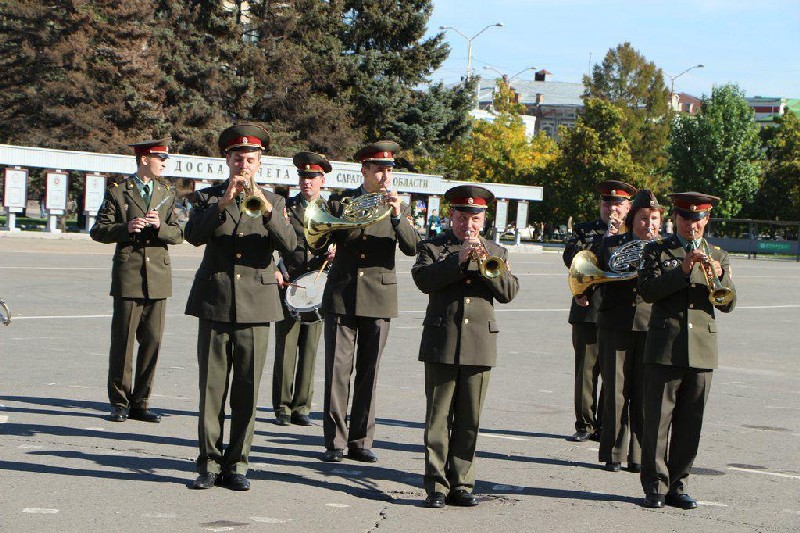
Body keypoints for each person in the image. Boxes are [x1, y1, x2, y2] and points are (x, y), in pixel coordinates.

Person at [184, 124, 296, 491]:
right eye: (237, 159)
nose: (242, 165)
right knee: (212, 389)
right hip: (215, 302)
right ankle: (209, 464)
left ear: (259, 162)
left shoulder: (276, 202)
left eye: (250, 159)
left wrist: (265, 209)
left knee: (247, 390)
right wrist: (222, 202)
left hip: (257, 306)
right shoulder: (206, 198)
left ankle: (238, 464)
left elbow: (291, 244)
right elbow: (193, 236)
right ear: (226, 160)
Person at [412, 185, 519, 509]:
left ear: (483, 219)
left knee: (469, 419)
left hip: (479, 345)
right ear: (451, 217)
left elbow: (509, 292)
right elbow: (423, 280)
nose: (468, 225)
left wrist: (486, 262)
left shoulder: (497, 251)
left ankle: (462, 482)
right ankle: (436, 486)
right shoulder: (433, 247)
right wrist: (456, 261)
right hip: (442, 342)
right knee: (438, 418)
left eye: (474, 218)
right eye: (462, 217)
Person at [316, 140, 419, 463]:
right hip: (342, 294)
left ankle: (361, 440)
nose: (385, 175)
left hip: (379, 295)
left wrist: (397, 215)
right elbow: (322, 238)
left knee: (369, 371)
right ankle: (334, 442)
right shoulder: (341, 202)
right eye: (378, 169)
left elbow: (413, 247)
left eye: (389, 169)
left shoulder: (398, 207)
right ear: (364, 170)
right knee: (337, 371)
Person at [638, 192, 736, 509]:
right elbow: (648, 291)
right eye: (684, 218)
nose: (690, 224)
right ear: (675, 219)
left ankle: (677, 485)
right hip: (665, 345)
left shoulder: (719, 255)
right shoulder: (656, 250)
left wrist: (721, 277)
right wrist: (681, 270)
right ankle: (655, 485)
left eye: (696, 219)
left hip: (702, 349)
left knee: (690, 422)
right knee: (658, 420)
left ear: (706, 220)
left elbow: (728, 303)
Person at [90, 138, 183, 423]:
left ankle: (141, 401)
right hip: (129, 274)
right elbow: (98, 230)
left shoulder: (167, 192)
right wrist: (126, 227)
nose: (165, 164)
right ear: (145, 159)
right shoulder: (118, 192)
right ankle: (119, 401)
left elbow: (178, 234)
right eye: (160, 159)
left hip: (158, 275)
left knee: (152, 341)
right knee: (124, 341)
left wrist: (160, 227)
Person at [562, 179, 636, 442]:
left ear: (628, 206)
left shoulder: (634, 232)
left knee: (614, 371)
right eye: (607, 202)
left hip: (619, 311)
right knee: (586, 369)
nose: (612, 208)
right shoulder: (585, 231)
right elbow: (571, 258)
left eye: (618, 203)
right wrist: (606, 240)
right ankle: (585, 424)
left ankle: (606, 423)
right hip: (588, 307)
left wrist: (619, 238)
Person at [595, 190, 663, 473]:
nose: (649, 224)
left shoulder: (665, 248)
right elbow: (594, 276)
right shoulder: (613, 245)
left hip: (651, 326)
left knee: (645, 394)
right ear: (633, 219)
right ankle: (613, 453)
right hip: (616, 324)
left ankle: (638, 455)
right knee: (615, 391)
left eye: (654, 218)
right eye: (644, 218)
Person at [271, 152, 332, 427]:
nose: (306, 182)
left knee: (310, 348)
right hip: (290, 282)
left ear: (322, 180)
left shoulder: (331, 210)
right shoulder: (285, 206)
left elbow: (343, 240)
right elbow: (269, 238)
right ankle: (282, 406)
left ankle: (302, 406)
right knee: (286, 347)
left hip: (318, 286)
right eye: (303, 177)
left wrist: (336, 252)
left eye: (312, 178)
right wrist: (274, 267)